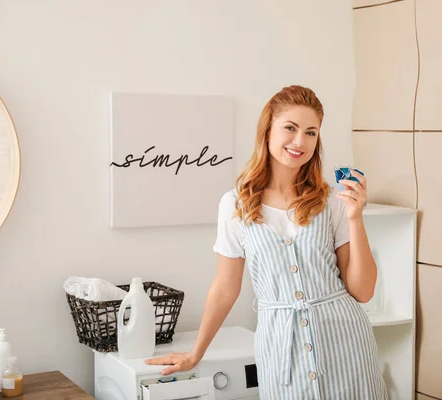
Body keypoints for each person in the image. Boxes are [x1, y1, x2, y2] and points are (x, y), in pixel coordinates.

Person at [145, 85, 388, 399]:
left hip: (345, 344)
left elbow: (363, 291)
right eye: (290, 128)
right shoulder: (236, 204)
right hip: (280, 347)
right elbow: (225, 287)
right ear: (267, 130)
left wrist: (355, 217)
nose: (300, 141)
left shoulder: (331, 201)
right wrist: (195, 354)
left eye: (311, 132)